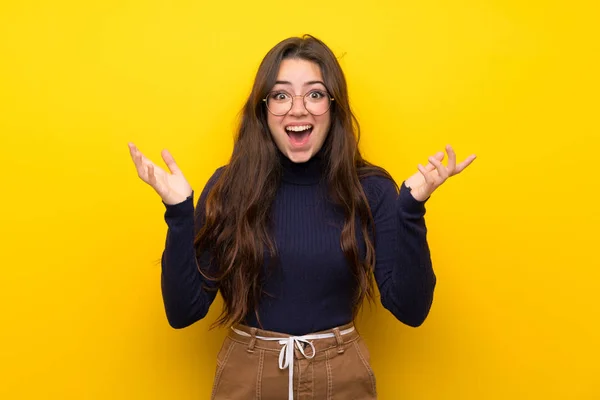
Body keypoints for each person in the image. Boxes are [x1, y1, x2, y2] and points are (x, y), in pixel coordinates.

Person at [128, 34, 475, 400]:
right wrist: (179, 213)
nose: (297, 109)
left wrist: (411, 209)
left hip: (342, 378)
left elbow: (411, 309)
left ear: (333, 106)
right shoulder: (230, 187)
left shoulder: (370, 189)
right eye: (280, 95)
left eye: (314, 94)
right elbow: (183, 312)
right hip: (248, 378)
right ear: (262, 110)